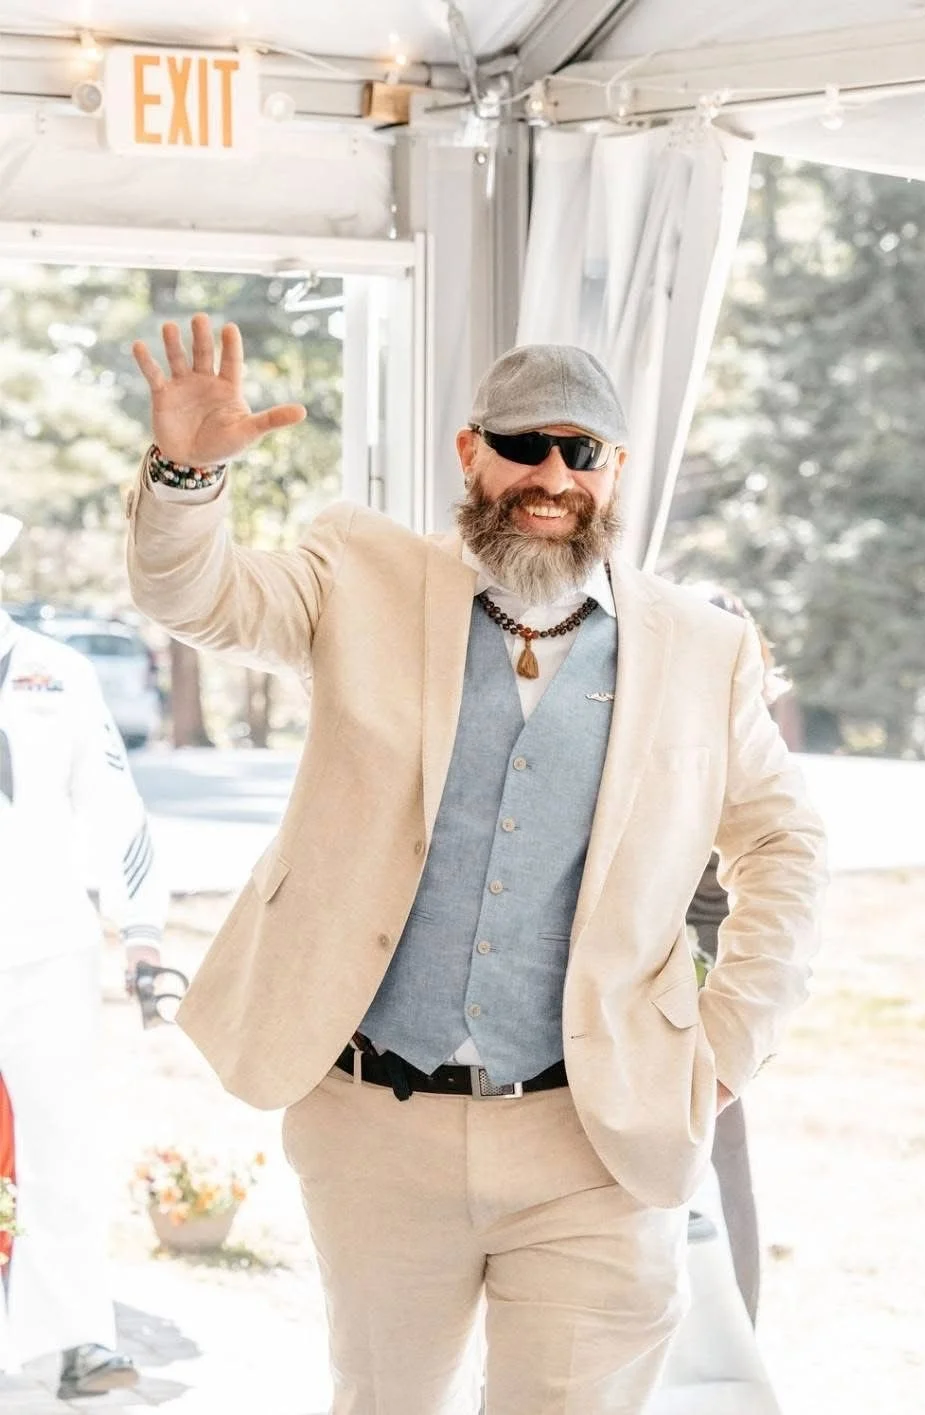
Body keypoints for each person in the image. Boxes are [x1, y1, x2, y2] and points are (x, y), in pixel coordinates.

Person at [126, 316, 826, 1415]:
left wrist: (728, 1040)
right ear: (468, 453)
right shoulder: (355, 573)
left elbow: (781, 841)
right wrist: (186, 474)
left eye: (581, 451)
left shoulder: (700, 645)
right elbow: (194, 594)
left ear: (614, 472)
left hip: (594, 1136)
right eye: (523, 443)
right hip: (374, 1122)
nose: (551, 474)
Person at [0, 512, 169, 1400]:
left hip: (44, 951)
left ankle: (77, 1341)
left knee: (61, 1148)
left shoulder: (55, 674)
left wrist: (141, 928)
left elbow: (113, 803)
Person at [686, 584, 793, 1327]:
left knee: (722, 1166)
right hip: (669, 989)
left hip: (708, 996)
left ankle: (732, 1349)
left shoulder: (744, 752)